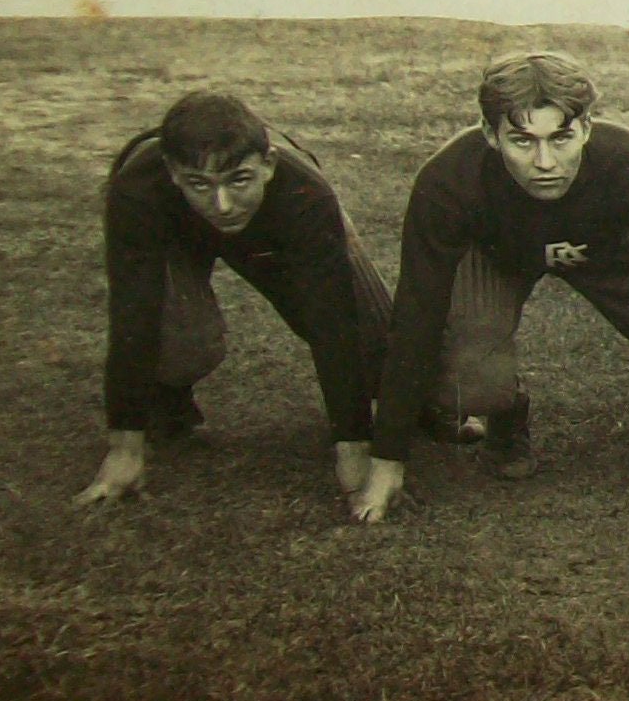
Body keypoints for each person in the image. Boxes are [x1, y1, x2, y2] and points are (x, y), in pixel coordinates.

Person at [350, 52, 629, 526]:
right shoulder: (449, 178)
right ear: (490, 136)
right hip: (498, 256)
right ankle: (506, 412)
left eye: (561, 137)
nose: (545, 162)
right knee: (467, 386)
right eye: (521, 141)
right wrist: (387, 465)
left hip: (616, 255)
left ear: (588, 127)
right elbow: (416, 317)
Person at [75, 93, 392, 507]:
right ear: (172, 173)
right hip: (177, 236)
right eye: (199, 184)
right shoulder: (137, 189)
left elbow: (333, 321)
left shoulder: (306, 193)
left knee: (382, 349)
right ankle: (166, 404)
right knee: (183, 342)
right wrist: (124, 450)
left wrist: (353, 451)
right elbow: (133, 315)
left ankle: (420, 407)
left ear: (269, 165)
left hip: (277, 224)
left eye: (239, 180)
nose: (222, 205)